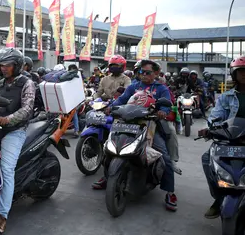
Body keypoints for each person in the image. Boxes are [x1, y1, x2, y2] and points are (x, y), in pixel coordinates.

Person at [92, 59, 178, 211]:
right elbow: (121, 100)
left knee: (164, 157)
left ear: (156, 73)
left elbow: (167, 105)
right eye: (141, 72)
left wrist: (162, 112)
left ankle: (170, 191)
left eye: (147, 72)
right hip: (128, 123)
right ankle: (108, 177)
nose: (143, 75)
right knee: (110, 148)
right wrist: (110, 107)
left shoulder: (161, 89)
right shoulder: (133, 86)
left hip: (151, 126)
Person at [202, 55, 245, 219]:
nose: (244, 74)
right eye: (240, 71)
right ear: (234, 74)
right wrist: (208, 128)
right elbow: (215, 116)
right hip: (232, 139)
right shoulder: (226, 96)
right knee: (207, 159)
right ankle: (220, 196)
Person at [0, 48, 35, 233]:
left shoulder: (27, 83)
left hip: (15, 130)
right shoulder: (0, 82)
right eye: (1, 65)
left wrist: (9, 119)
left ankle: (2, 215)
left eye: (7, 65)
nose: (3, 68)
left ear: (16, 66)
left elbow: (27, 109)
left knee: (6, 169)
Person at [68, 64, 81, 137]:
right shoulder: (67, 76)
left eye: (73, 69)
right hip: (67, 98)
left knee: (74, 113)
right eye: (70, 69)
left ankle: (76, 130)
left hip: (74, 99)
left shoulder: (77, 77)